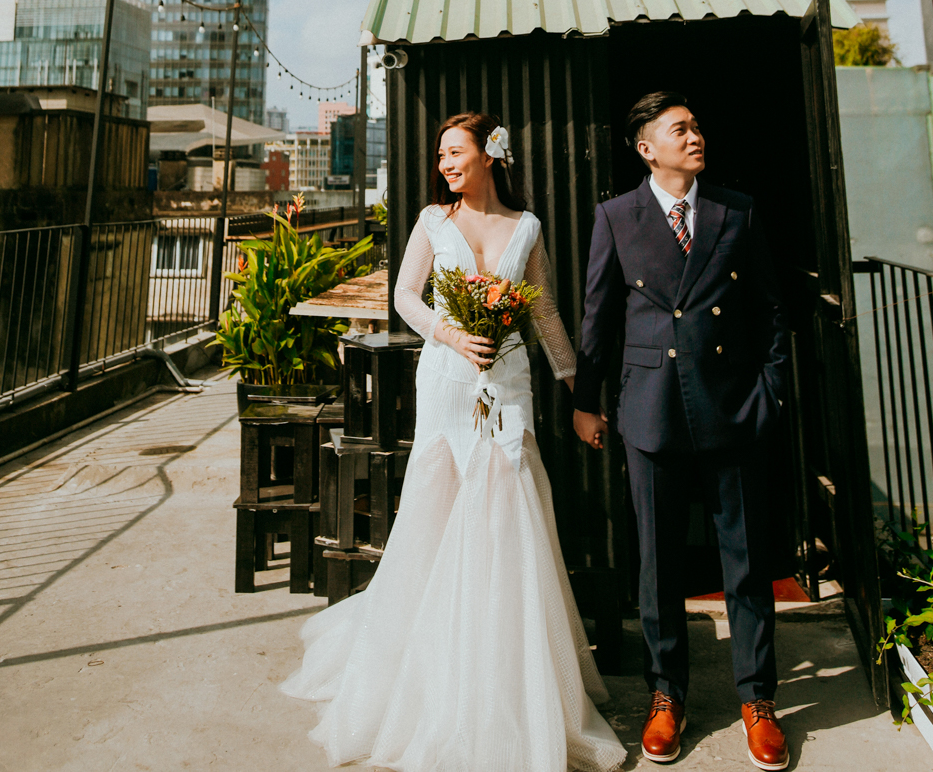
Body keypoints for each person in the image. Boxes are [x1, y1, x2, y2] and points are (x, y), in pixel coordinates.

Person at [283, 110, 625, 772]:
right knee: (439, 511)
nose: (444, 164)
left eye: (455, 152)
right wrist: (449, 333)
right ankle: (431, 669)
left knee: (507, 507)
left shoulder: (527, 228)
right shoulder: (432, 222)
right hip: (447, 381)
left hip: (508, 383)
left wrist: (579, 394)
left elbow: (545, 312)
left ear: (490, 155)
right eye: (440, 155)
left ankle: (508, 674)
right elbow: (405, 296)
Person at [572, 92, 789, 770]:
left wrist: (771, 393)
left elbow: (770, 311)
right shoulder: (617, 216)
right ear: (647, 148)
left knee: (745, 562)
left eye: (696, 126)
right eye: (680, 129)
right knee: (658, 563)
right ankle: (667, 695)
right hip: (650, 409)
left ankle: (758, 700)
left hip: (732, 407)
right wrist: (586, 401)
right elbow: (598, 315)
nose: (695, 136)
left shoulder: (734, 210)